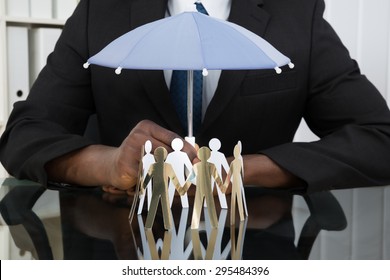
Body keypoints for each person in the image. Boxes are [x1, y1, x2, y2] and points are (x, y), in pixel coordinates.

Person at [1, 0, 390, 195]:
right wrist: (107, 165)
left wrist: (242, 170)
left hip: (258, 248)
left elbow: (380, 140)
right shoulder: (101, 10)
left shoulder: (295, 14)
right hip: (119, 244)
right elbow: (24, 135)